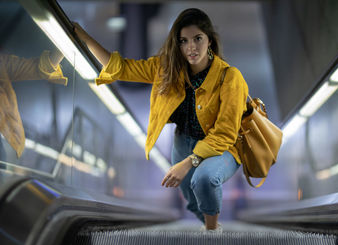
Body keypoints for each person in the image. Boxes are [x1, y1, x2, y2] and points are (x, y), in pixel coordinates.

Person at [73, 8, 248, 232]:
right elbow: (122, 69)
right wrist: (83, 36)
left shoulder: (230, 77)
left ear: (210, 41)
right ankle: (205, 218)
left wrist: (188, 163)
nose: (191, 47)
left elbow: (225, 132)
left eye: (198, 39)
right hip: (183, 141)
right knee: (189, 194)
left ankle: (212, 231)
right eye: (184, 41)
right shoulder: (167, 69)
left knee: (203, 180)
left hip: (223, 147)